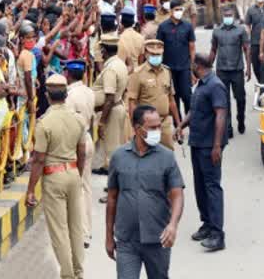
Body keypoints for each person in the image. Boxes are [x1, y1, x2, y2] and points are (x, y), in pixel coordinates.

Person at [105, 105, 184, 278]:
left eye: (159, 126)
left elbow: (177, 194)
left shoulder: (167, 157)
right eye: (152, 127)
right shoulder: (119, 157)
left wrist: (173, 225)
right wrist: (109, 236)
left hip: (158, 240)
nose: (158, 130)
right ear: (137, 129)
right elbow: (112, 198)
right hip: (127, 242)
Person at [26, 74, 86, 279]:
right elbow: (82, 151)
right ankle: (79, 271)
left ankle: (68, 275)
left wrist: (30, 189)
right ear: (66, 94)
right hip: (73, 172)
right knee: (75, 226)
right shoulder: (78, 119)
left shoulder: (44, 123)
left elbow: (39, 160)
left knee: (59, 230)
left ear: (47, 95)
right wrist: (77, 171)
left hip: (54, 176)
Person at [180, 53, 228, 251]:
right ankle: (207, 223)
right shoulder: (201, 84)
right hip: (198, 142)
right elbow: (194, 110)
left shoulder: (215, 85)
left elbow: (220, 116)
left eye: (192, 64)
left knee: (211, 187)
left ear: (198, 65)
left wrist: (217, 146)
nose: (191, 67)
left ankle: (218, 234)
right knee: (200, 185)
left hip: (210, 146)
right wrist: (181, 125)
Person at [63, 60, 95, 248]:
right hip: (88, 138)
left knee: (76, 190)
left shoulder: (70, 96)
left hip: (76, 143)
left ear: (68, 74)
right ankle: (86, 231)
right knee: (86, 188)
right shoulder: (89, 92)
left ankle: (79, 233)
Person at [127, 40, 180, 150]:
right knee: (146, 155)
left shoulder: (167, 72)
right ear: (146, 54)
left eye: (158, 54)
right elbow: (132, 103)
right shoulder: (138, 74)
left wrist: (178, 124)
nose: (156, 56)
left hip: (164, 123)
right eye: (153, 54)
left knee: (167, 156)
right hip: (146, 125)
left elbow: (171, 100)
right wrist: (134, 127)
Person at [209, 6, 251, 136]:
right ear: (223, 17)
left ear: (234, 17)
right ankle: (228, 128)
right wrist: (208, 66)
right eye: (226, 15)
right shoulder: (217, 31)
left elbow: (246, 49)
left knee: (240, 98)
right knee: (224, 100)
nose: (228, 17)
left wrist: (249, 68)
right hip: (222, 70)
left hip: (237, 70)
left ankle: (241, 119)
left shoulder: (240, 30)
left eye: (230, 15)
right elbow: (213, 49)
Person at [92, 35, 129, 178]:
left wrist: (102, 122)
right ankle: (107, 169)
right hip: (116, 108)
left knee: (112, 149)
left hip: (111, 110)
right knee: (112, 145)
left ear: (104, 51)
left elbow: (109, 98)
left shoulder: (111, 69)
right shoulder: (119, 63)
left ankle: (114, 185)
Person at [156, 0, 196, 120]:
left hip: (184, 67)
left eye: (180, 9)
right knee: (174, 97)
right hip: (168, 69)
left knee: (187, 95)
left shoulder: (187, 26)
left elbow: (192, 48)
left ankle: (190, 121)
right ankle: (177, 124)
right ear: (171, 11)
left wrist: (192, 68)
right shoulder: (163, 27)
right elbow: (159, 47)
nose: (179, 12)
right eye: (176, 9)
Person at [245, 0, 264, 83]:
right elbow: (247, 24)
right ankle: (261, 83)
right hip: (255, 42)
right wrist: (248, 36)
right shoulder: (251, 9)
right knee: (256, 66)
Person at [117, 6, 144, 72]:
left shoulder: (119, 38)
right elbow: (141, 59)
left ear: (121, 22)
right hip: (136, 71)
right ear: (133, 22)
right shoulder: (141, 38)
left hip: (123, 71)